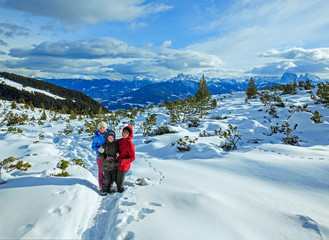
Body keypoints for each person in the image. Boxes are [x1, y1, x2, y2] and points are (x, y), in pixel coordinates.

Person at [116, 126, 135, 193]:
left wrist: (121, 162)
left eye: (126, 132)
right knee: (115, 179)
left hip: (124, 166)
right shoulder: (119, 141)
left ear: (129, 134)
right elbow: (115, 148)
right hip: (116, 163)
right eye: (123, 132)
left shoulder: (130, 144)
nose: (124, 134)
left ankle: (120, 195)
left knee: (119, 182)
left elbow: (132, 157)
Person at [91, 121, 109, 189]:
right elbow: (93, 147)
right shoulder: (96, 137)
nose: (102, 129)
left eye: (103, 127)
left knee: (108, 172)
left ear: (105, 128)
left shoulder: (109, 134)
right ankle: (101, 186)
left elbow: (114, 141)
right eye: (100, 128)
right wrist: (98, 149)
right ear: (98, 128)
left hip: (108, 156)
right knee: (101, 171)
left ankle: (108, 185)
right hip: (99, 157)